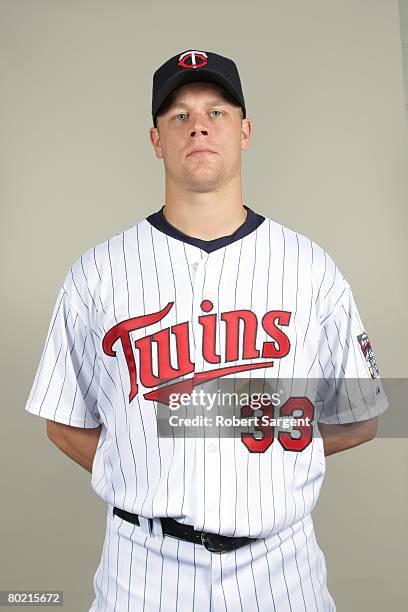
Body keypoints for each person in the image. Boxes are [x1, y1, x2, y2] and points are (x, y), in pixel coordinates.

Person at [25, 49, 389, 611]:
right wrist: (140, 462)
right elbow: (62, 420)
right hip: (141, 572)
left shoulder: (310, 268)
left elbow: (361, 417)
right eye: (178, 115)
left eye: (216, 112)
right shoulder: (97, 273)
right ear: (156, 140)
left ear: (244, 132)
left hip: (281, 573)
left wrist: (282, 450)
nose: (198, 124)